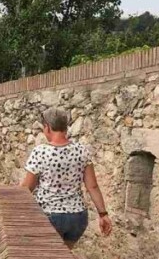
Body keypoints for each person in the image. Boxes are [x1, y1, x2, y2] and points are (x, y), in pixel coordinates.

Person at [21, 106, 112, 248]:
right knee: (64, 256)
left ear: (47, 127)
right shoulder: (82, 151)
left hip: (49, 215)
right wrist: (103, 214)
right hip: (77, 217)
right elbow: (92, 186)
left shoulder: (40, 152)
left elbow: (27, 187)